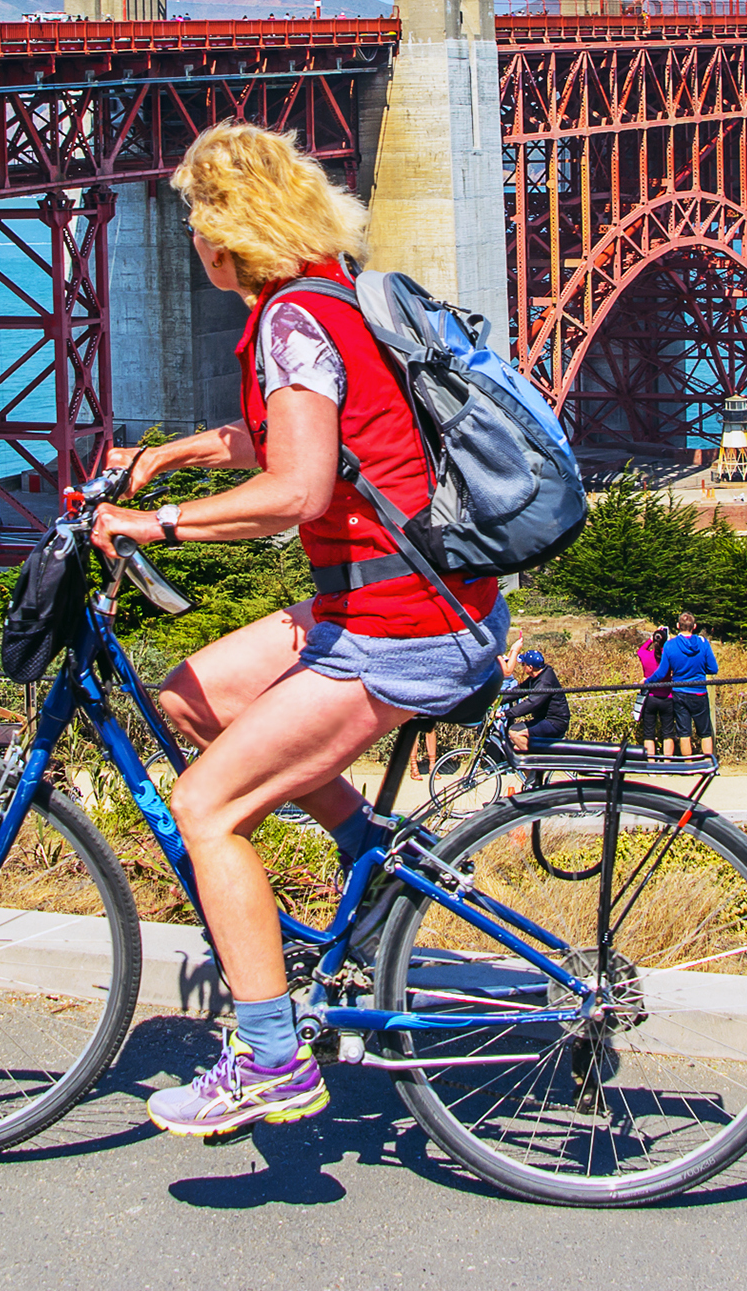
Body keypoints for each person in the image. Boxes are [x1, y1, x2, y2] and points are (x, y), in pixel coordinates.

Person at [84, 122, 508, 1139]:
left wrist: (158, 524)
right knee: (191, 698)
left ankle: (272, 1060)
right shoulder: (329, 291)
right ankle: (371, 853)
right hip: (400, 597)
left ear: (231, 231)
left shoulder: (291, 322)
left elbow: (298, 484)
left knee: (207, 808)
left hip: (401, 621)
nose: (191, 237)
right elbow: (295, 430)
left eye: (199, 218)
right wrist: (169, 457)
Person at [653, 610, 719, 760]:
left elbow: (662, 672)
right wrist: (700, 668)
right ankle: (708, 764)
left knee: (684, 732)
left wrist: (649, 681)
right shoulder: (703, 643)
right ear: (694, 626)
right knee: (705, 732)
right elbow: (713, 668)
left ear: (678, 625)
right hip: (699, 691)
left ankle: (688, 765)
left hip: (680, 691)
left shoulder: (670, 645)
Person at [501, 643, 569, 773]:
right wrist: (498, 699)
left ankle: (534, 767)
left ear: (530, 667)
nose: (522, 667)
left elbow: (532, 703)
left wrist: (507, 713)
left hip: (555, 722)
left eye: (523, 664)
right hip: (544, 719)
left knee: (514, 732)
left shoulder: (544, 682)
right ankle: (531, 779)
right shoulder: (536, 676)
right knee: (518, 735)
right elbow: (520, 690)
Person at [635, 624, 674, 758]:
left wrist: (650, 639)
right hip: (667, 696)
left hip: (650, 696)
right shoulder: (668, 656)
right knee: (668, 733)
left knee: (649, 733)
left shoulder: (646, 656)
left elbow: (640, 651)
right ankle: (667, 765)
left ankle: (651, 763)